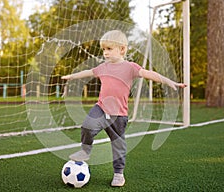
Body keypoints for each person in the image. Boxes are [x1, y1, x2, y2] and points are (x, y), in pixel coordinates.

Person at [61, 30, 186, 187]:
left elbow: (150, 74)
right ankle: (85, 151)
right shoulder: (103, 67)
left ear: (122, 49)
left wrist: (170, 82)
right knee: (87, 126)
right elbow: (88, 72)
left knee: (118, 145)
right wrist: (72, 76)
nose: (105, 53)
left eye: (109, 49)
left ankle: (118, 174)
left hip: (119, 115)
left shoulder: (130, 67)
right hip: (101, 108)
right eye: (104, 49)